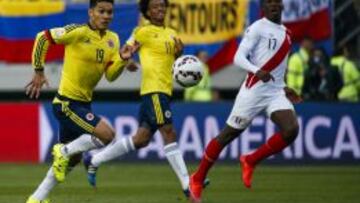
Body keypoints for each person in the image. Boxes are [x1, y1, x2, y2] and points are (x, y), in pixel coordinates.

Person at [83, 0, 207, 198]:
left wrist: (180, 54)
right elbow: (124, 50)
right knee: (168, 132)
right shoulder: (142, 31)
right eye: (155, 6)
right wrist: (129, 62)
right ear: (147, 11)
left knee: (141, 139)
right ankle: (187, 184)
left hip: (165, 90)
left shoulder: (172, 33)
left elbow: (176, 65)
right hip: (153, 90)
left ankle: (94, 160)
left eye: (162, 6)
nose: (160, 9)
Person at [188, 0, 302, 202]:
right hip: (253, 91)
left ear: (283, 5)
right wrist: (256, 70)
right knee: (227, 136)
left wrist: (284, 86)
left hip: (275, 92)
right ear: (263, 7)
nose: (273, 5)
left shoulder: (287, 33)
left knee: (291, 129)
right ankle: (197, 178)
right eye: (269, 2)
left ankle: (250, 160)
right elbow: (238, 57)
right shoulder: (258, 27)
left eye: (277, 1)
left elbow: (277, 68)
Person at [25, 0, 135, 202]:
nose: (106, 16)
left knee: (72, 161)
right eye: (101, 11)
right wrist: (39, 71)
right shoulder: (78, 32)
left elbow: (110, 76)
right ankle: (63, 150)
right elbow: (42, 37)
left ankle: (37, 198)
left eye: (110, 12)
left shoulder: (113, 39)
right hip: (66, 103)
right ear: (91, 12)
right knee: (107, 135)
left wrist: (121, 59)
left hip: (83, 104)